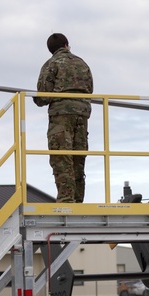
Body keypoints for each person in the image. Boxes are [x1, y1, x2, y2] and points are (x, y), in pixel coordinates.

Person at [34, 33, 93, 202]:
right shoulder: (82, 63)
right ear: (67, 44)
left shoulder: (51, 64)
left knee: (62, 158)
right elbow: (89, 89)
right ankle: (78, 199)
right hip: (82, 114)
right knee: (78, 159)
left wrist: (36, 99)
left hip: (61, 115)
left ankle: (67, 201)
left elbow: (44, 95)